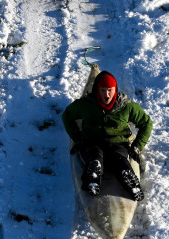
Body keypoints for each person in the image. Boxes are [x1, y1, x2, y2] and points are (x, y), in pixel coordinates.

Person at [62, 70, 152, 201]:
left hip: (118, 142)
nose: (107, 94)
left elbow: (146, 123)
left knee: (119, 158)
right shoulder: (86, 104)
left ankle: (126, 174)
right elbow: (67, 116)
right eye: (103, 90)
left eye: (110, 90)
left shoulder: (126, 106)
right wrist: (77, 138)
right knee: (94, 155)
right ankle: (93, 173)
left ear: (115, 89)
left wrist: (137, 146)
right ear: (97, 90)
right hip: (92, 141)